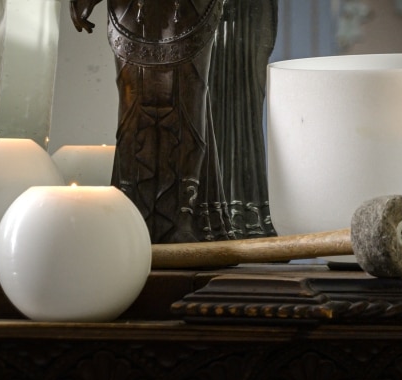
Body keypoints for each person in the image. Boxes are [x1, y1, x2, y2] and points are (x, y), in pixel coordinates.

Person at [69, 0, 277, 243]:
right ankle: (130, 213)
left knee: (188, 112)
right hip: (131, 14)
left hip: (189, 14)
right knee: (132, 118)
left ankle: (184, 216)